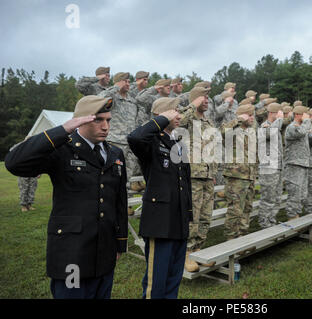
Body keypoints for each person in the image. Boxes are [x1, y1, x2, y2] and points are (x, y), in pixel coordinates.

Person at [5, 95, 128, 299]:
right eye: (98, 120)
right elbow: (14, 163)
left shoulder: (115, 153)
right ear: (81, 120)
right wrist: (63, 130)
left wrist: (120, 241)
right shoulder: (62, 148)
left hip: (105, 250)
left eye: (108, 120)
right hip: (73, 252)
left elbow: (119, 200)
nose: (106, 126)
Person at [127, 98, 192, 299]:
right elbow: (135, 138)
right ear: (161, 115)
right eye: (174, 111)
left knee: (174, 277)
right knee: (156, 281)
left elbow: (185, 181)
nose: (179, 115)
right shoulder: (151, 141)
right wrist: (161, 119)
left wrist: (188, 214)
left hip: (178, 218)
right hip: (160, 220)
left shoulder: (177, 143)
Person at [179, 87, 217, 272]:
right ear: (195, 100)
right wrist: (191, 105)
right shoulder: (187, 118)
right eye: (203, 97)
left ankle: (198, 250)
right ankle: (186, 253)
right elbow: (177, 121)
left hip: (208, 175)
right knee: (192, 216)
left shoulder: (208, 121)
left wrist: (214, 172)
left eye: (208, 97)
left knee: (205, 216)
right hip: (192, 174)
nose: (207, 100)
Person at [99, 72, 146, 214]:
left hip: (130, 144)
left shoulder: (132, 100)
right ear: (118, 82)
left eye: (128, 81)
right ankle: (108, 203)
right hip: (115, 142)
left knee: (127, 176)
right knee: (113, 175)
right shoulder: (111, 97)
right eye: (125, 81)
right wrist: (115, 87)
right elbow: (99, 100)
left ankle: (123, 203)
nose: (128, 84)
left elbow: (139, 117)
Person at [221, 104, 257, 240]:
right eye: (250, 115)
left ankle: (242, 237)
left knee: (247, 209)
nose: (253, 118)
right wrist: (238, 119)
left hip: (249, 175)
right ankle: (231, 240)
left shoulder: (250, 131)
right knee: (235, 210)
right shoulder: (232, 130)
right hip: (236, 177)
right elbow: (222, 131)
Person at [258, 103, 284, 228]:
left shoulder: (275, 127)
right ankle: (265, 224)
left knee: (277, 197)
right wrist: (279, 119)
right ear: (272, 113)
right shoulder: (265, 126)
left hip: (277, 166)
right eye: (278, 113)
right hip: (268, 168)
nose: (281, 115)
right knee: (268, 197)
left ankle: (272, 221)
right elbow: (269, 134)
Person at [283, 105, 311, 219]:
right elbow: (301, 132)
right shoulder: (292, 127)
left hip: (302, 163)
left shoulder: (299, 126)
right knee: (295, 192)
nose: (307, 116)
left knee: (302, 193)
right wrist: (307, 121)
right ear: (299, 115)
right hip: (294, 164)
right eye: (305, 114)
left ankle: (297, 215)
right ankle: (292, 216)